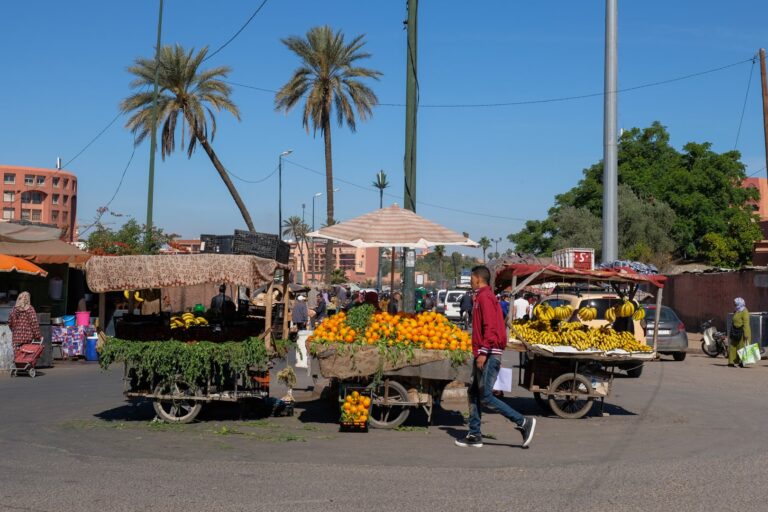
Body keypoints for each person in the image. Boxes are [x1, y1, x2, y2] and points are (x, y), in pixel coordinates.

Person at [455, 266, 536, 449]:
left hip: (490, 354)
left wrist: (483, 352)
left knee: (485, 396)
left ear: (477, 278)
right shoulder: (482, 297)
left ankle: (523, 422)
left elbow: (490, 327)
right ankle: (474, 434)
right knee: (473, 392)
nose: (470, 281)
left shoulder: (485, 297)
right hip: (485, 352)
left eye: (471, 278)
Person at [729, 297, 751, 368]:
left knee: (741, 347)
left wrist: (746, 334)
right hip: (735, 331)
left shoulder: (744, 311)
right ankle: (731, 362)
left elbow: (746, 323)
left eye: (735, 303)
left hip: (742, 332)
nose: (734, 305)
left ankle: (742, 362)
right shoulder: (737, 310)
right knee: (733, 346)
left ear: (739, 303)